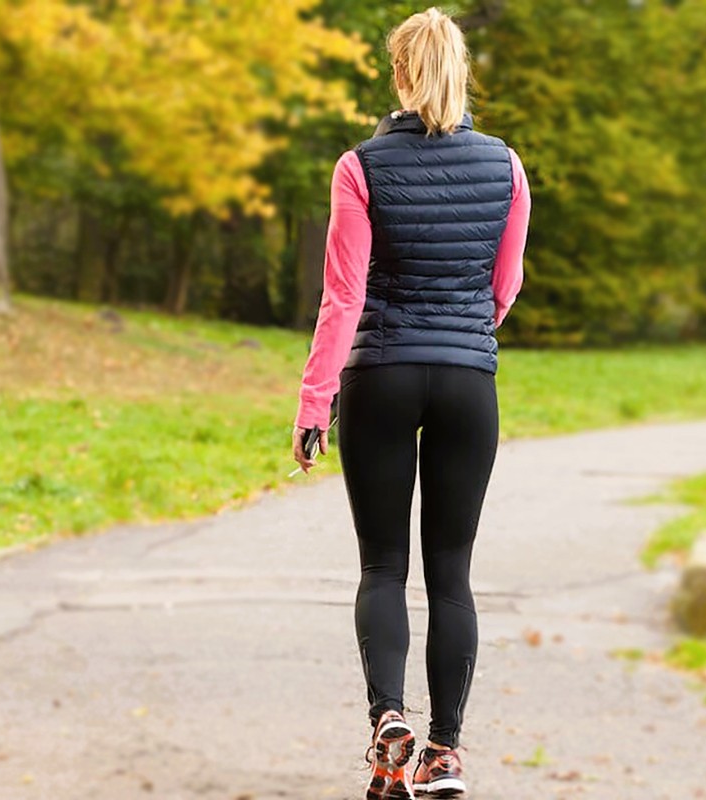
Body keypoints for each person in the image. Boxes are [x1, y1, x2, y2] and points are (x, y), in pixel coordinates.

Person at [290, 8, 531, 798]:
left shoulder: (360, 166)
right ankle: (446, 753)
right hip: (468, 381)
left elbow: (343, 295)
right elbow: (504, 289)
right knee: (452, 575)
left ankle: (388, 722)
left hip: (382, 374)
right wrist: (460, 333)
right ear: (463, 72)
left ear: (398, 74)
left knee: (384, 566)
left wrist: (313, 402)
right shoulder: (506, 166)